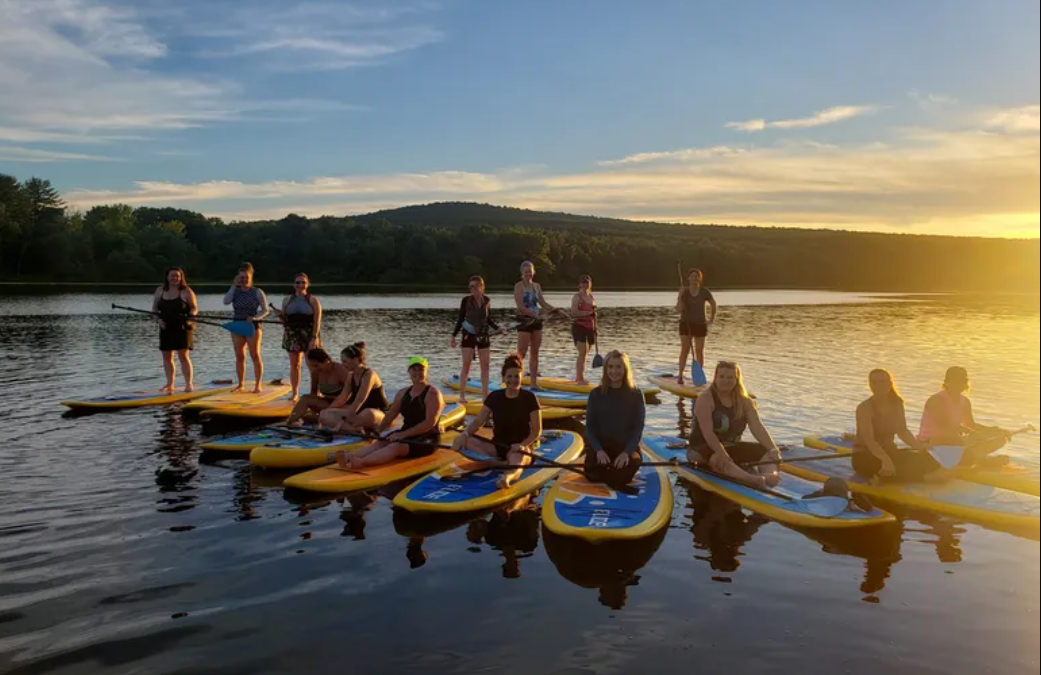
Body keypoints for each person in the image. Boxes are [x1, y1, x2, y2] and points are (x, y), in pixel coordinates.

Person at [334, 357, 446, 469]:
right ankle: (349, 457)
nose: (417, 373)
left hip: (428, 439)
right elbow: (391, 414)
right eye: (414, 369)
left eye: (421, 369)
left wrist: (403, 434)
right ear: (409, 371)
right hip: (407, 433)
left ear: (426, 371)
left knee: (396, 447)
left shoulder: (433, 394)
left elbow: (430, 422)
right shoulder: (402, 393)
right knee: (380, 443)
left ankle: (361, 462)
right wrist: (378, 431)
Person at [452, 353, 543, 490]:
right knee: (461, 440)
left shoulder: (530, 398)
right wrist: (463, 435)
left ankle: (507, 477)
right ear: (503, 378)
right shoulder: (494, 397)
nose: (513, 380)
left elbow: (537, 430)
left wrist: (522, 445)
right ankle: (496, 462)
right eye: (509, 377)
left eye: (516, 376)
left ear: (521, 377)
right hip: (496, 447)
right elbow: (478, 422)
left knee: (516, 459)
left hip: (519, 447)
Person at [686, 361, 782, 489]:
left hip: (731, 447)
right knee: (718, 458)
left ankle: (770, 475)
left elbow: (757, 427)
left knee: (765, 451)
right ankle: (751, 479)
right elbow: (708, 433)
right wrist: (722, 454)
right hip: (703, 449)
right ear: (715, 378)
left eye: (730, 377)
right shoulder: (705, 399)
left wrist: (773, 449)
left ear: (737, 379)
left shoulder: (746, 402)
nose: (726, 381)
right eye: (722, 377)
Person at [853, 369, 947, 483]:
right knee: (891, 470)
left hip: (890, 451)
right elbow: (869, 440)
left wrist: (918, 445)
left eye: (882, 381)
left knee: (931, 462)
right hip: (866, 456)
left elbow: (902, 431)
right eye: (874, 382)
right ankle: (925, 479)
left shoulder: (897, 403)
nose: (878, 386)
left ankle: (884, 476)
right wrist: (885, 459)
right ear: (870, 384)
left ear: (890, 383)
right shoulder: (864, 408)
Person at [917, 366, 1012, 467]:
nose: (961, 384)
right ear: (947, 382)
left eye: (963, 380)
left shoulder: (965, 402)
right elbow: (944, 425)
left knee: (1000, 439)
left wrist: (996, 431)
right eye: (957, 380)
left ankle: (975, 458)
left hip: (953, 440)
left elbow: (971, 425)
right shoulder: (936, 400)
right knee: (961, 440)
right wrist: (971, 434)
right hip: (931, 442)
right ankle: (980, 460)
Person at [583, 350, 645, 494]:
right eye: (610, 367)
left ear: (625, 369)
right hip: (602, 448)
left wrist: (627, 452)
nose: (614, 371)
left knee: (627, 469)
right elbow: (590, 428)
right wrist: (598, 450)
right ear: (605, 369)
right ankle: (613, 479)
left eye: (618, 367)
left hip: (625, 448)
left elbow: (638, 428)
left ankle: (615, 479)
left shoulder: (635, 394)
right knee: (592, 474)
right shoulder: (596, 394)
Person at [451, 275, 506, 403]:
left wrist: (499, 328)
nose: (473, 289)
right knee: (467, 365)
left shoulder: (487, 300)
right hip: (468, 333)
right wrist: (453, 336)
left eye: (476, 286)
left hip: (483, 334)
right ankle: (462, 396)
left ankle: (485, 396)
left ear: (482, 286)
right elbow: (460, 319)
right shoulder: (465, 300)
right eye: (471, 287)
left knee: (485, 366)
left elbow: (488, 319)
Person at [513, 261, 563, 390]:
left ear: (533, 272)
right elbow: (521, 307)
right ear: (521, 273)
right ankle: (515, 380)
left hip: (537, 322)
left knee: (535, 353)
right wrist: (535, 316)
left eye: (530, 271)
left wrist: (554, 309)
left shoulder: (536, 286)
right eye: (525, 271)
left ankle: (533, 383)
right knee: (521, 354)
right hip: (524, 321)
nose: (528, 274)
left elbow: (542, 303)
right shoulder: (518, 287)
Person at [319, 342, 389, 434]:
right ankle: (354, 429)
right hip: (358, 413)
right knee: (324, 413)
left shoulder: (369, 375)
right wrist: (328, 412)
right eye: (342, 361)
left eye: (345, 361)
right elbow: (341, 398)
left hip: (377, 413)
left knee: (368, 413)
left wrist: (340, 421)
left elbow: (359, 401)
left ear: (355, 360)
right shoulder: (351, 375)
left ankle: (344, 427)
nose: (343, 364)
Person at [222, 262, 269, 393]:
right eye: (241, 277)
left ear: (251, 277)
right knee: (239, 356)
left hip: (252, 325)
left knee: (255, 355)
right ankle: (240, 384)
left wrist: (255, 318)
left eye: (246, 277)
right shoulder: (235, 291)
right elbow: (226, 302)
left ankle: (258, 384)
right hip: (237, 325)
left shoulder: (257, 292)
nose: (244, 280)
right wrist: (233, 285)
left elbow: (265, 310)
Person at [276, 272, 322, 402]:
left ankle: (315, 392)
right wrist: (279, 315)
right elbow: (284, 321)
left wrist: (314, 338)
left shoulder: (313, 300)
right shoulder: (287, 300)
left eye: (303, 282)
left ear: (308, 284)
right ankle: (295, 393)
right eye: (297, 282)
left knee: (312, 364)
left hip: (309, 334)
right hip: (292, 334)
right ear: (293, 284)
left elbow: (317, 321)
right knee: (294, 365)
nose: (300, 285)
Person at [152, 267, 198, 393]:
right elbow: (155, 309)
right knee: (167, 357)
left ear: (181, 277)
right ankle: (169, 384)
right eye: (172, 276)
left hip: (183, 327)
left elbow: (194, 308)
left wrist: (191, 318)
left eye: (177, 276)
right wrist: (158, 320)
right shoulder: (160, 291)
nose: (175, 278)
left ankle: (189, 384)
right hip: (166, 327)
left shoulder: (186, 291)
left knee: (183, 356)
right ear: (167, 277)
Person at [285, 348, 351, 427]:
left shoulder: (340, 370)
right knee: (305, 399)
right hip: (327, 403)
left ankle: (329, 418)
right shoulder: (316, 372)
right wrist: (314, 411)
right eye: (312, 366)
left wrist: (331, 409)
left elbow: (351, 392)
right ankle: (290, 422)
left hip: (344, 405)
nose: (315, 368)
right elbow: (313, 393)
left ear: (326, 361)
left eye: (316, 365)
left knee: (310, 417)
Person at [676, 268, 717, 384]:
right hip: (686, 324)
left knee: (699, 351)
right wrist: (680, 295)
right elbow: (678, 310)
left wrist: (712, 318)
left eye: (696, 276)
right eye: (692, 276)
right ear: (688, 278)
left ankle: (699, 376)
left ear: (700, 278)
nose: (694, 278)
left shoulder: (704, 291)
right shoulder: (684, 292)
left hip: (700, 324)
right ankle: (680, 375)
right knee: (685, 350)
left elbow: (713, 304)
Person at [570, 275, 598, 385]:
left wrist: (595, 328)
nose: (585, 284)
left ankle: (581, 376)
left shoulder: (591, 297)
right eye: (583, 282)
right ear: (580, 284)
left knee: (586, 353)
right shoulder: (577, 297)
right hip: (579, 326)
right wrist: (587, 313)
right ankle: (579, 378)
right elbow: (574, 312)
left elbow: (594, 315)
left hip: (590, 328)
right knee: (582, 352)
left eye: (587, 282)